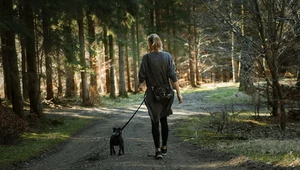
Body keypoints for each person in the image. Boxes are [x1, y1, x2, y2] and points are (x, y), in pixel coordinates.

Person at [138, 33, 183, 159]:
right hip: (167, 94)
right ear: (160, 42)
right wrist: (179, 93)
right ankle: (164, 147)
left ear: (149, 43)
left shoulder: (146, 58)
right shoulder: (167, 56)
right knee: (164, 120)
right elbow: (173, 76)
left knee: (155, 121)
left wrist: (141, 85)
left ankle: (157, 150)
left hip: (153, 94)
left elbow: (141, 76)